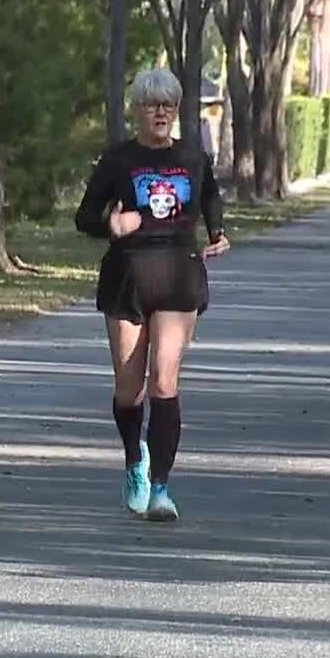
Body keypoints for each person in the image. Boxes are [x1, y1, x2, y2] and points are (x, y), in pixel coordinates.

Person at [75, 69, 231, 522]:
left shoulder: (193, 156)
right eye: (151, 104)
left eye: (167, 104)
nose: (160, 112)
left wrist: (218, 232)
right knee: (129, 390)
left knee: (164, 378)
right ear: (138, 111)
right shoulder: (118, 160)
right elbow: (84, 216)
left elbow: (211, 198)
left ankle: (162, 487)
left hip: (179, 274)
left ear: (176, 110)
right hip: (128, 276)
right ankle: (133, 459)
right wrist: (112, 225)